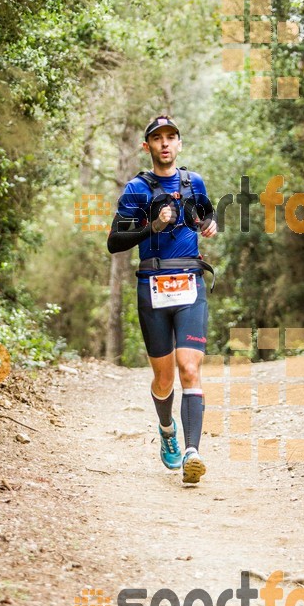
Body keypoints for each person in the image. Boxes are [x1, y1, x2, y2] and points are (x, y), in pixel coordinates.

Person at [107, 115, 217, 484]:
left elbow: (205, 214)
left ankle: (192, 452)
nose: (165, 144)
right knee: (164, 378)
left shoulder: (193, 182)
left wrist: (207, 225)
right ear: (148, 146)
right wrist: (151, 226)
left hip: (190, 281)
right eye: (158, 139)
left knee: (190, 369)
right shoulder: (136, 189)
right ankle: (167, 428)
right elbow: (114, 242)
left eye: (171, 137)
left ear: (179, 144)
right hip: (151, 285)